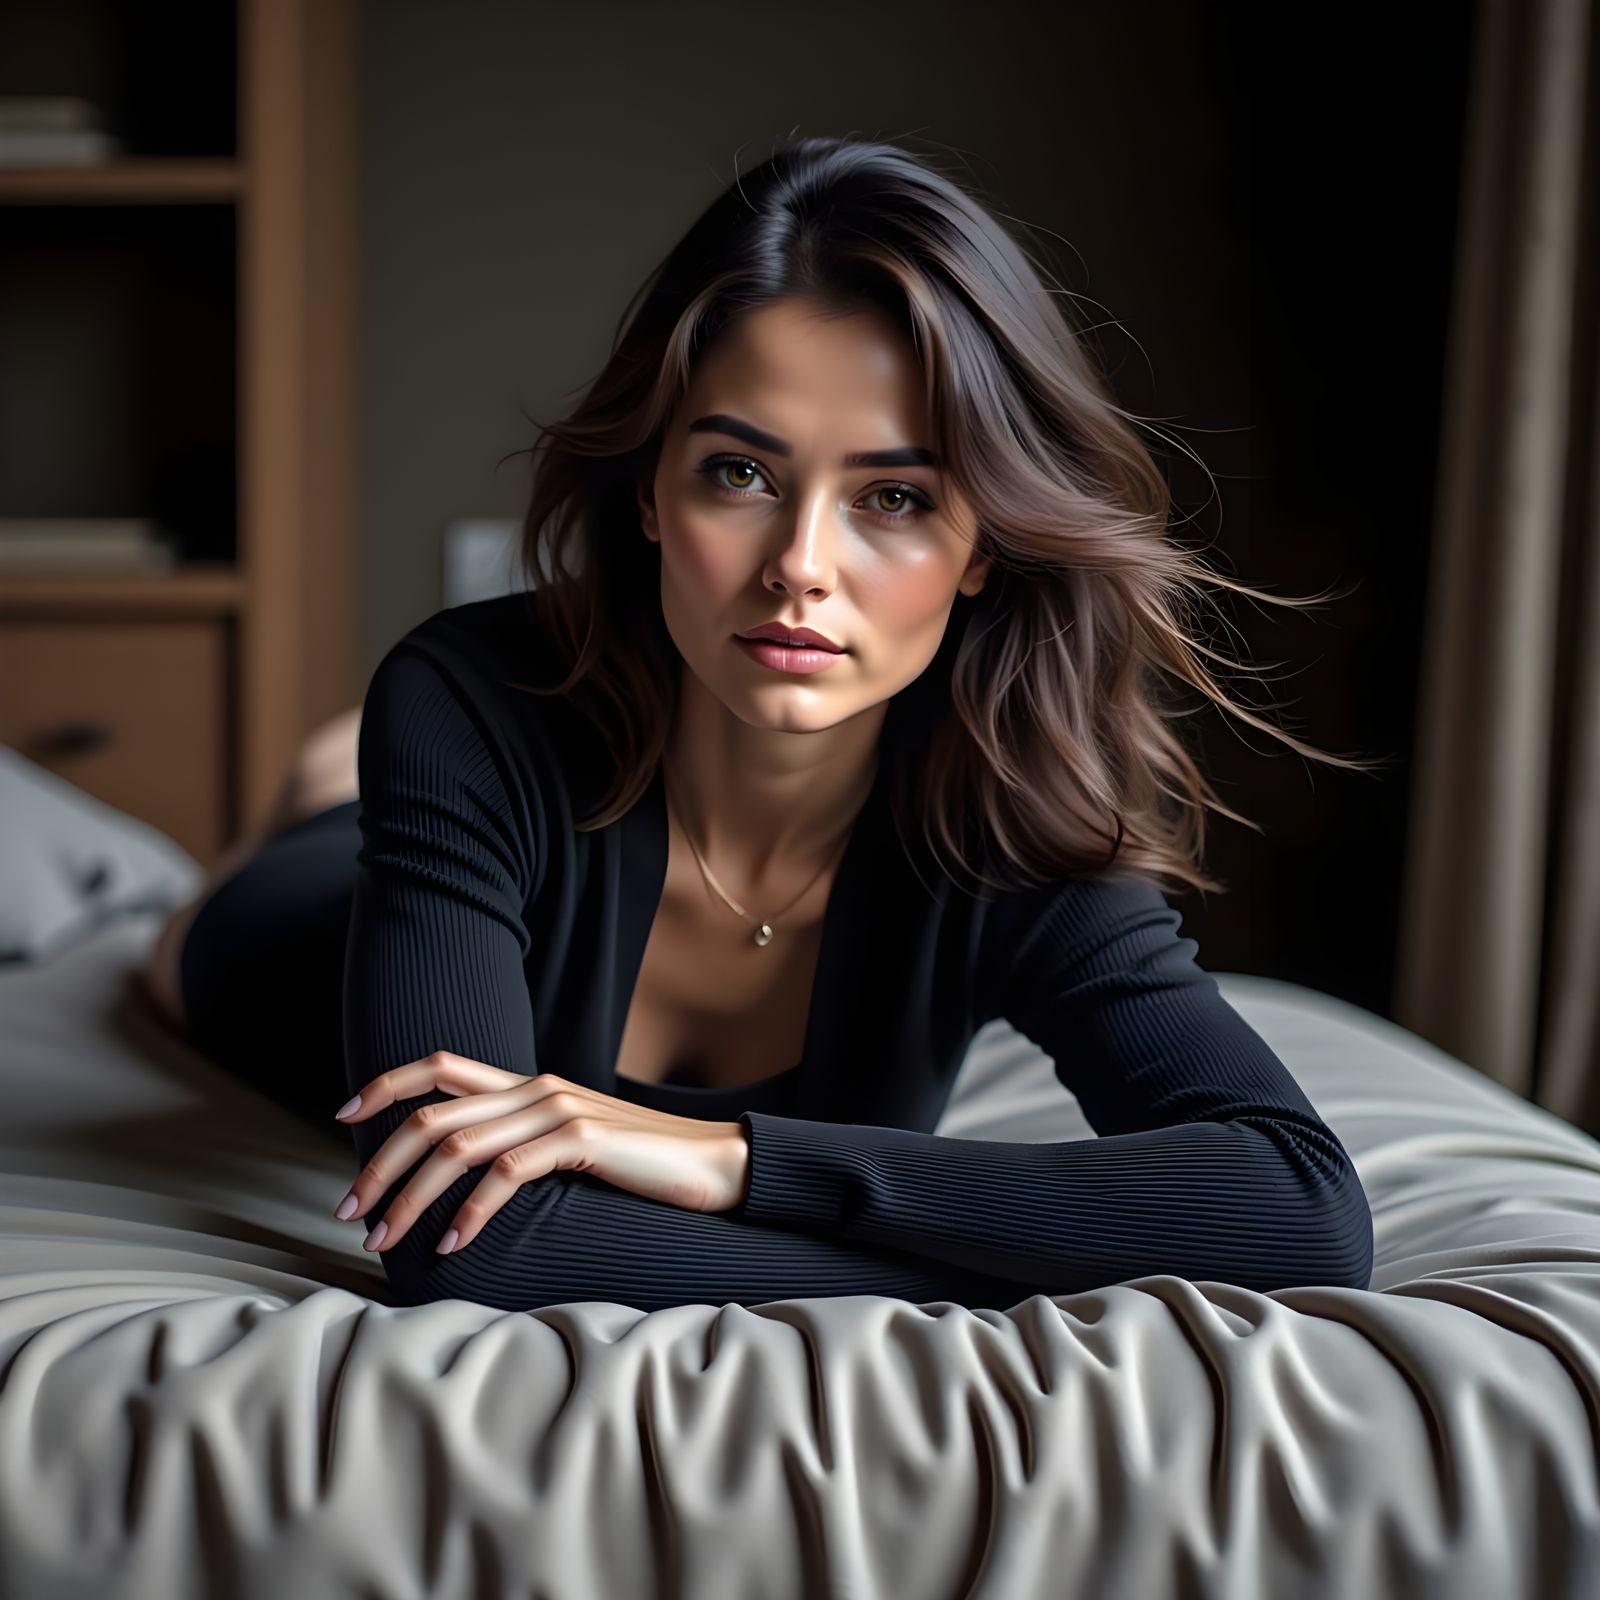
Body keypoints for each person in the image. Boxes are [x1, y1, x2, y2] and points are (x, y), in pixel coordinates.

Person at [144, 134, 1380, 1314]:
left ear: (981, 549)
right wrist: (1001, 1263)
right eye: (739, 472)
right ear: (646, 491)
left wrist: (729, 1158)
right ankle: (327, 786)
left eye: (893, 496)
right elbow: (469, 1246)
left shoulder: (1008, 809)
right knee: (226, 907)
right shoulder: (465, 695)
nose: (800, 567)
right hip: (295, 941)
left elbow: (1298, 1209)